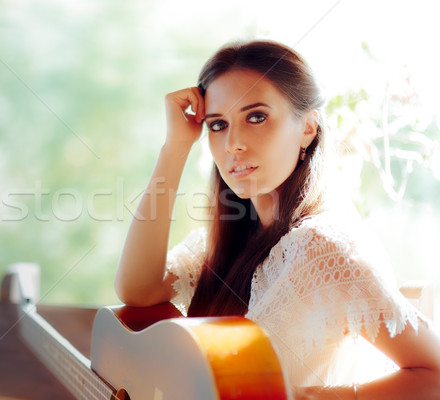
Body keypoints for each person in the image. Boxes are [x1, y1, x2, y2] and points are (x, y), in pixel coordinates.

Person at [114, 40, 440, 399]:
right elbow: (137, 291)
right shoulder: (231, 240)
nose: (233, 143)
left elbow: (433, 374)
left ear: (308, 128)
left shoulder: (324, 247)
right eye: (218, 125)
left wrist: (301, 397)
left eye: (256, 117)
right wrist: (175, 147)